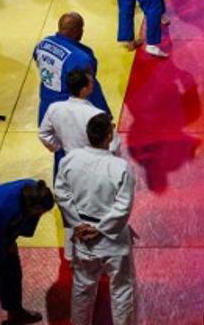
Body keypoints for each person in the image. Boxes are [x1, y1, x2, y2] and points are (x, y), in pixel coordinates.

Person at [55, 114, 137, 325]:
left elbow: (61, 194)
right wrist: (100, 229)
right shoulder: (120, 167)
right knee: (121, 289)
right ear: (109, 136)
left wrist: (77, 223)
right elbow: (123, 206)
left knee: (82, 288)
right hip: (113, 240)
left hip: (82, 238)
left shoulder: (70, 160)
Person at [0, 180, 54, 325]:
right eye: (40, 213)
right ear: (34, 207)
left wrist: (11, 239)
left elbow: (24, 224)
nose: (40, 216)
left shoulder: (34, 190)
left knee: (12, 268)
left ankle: (15, 311)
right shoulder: (2, 208)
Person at [33, 12, 110, 124]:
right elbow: (90, 90)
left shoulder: (43, 44)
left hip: (46, 108)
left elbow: (36, 57)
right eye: (81, 28)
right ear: (76, 31)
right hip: (69, 114)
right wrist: (104, 116)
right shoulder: (81, 58)